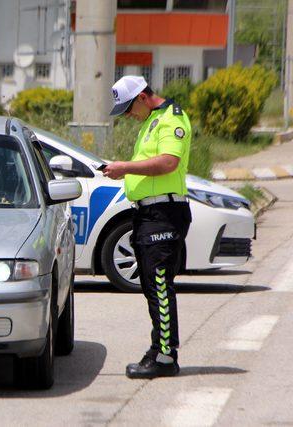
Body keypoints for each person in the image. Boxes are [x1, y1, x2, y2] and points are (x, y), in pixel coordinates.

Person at [103, 75, 192, 379]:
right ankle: (159, 348)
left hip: (164, 213)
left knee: (159, 286)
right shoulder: (151, 122)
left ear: (142, 96)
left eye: (128, 108)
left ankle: (166, 356)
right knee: (151, 287)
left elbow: (168, 162)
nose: (128, 115)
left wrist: (125, 167)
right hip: (148, 213)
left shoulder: (171, 119)